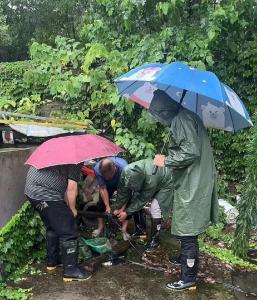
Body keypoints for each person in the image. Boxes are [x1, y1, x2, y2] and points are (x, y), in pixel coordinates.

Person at [150, 90, 218, 291]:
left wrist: (166, 160)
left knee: (188, 230)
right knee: (185, 224)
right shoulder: (185, 117)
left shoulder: (182, 119)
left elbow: (190, 151)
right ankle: (184, 258)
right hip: (194, 180)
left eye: (157, 114)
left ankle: (188, 278)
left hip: (193, 183)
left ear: (163, 111)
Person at [24, 164, 92, 282]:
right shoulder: (74, 161)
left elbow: (66, 191)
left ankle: (53, 261)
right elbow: (71, 188)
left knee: (53, 226)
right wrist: (72, 209)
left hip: (32, 193)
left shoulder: (57, 154)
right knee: (69, 231)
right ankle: (71, 271)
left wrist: (67, 207)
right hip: (47, 195)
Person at [113, 158, 174, 252]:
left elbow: (142, 199)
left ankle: (155, 240)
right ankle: (140, 230)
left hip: (166, 182)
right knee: (134, 198)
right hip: (151, 179)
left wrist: (127, 212)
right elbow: (122, 190)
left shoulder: (150, 179)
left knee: (155, 208)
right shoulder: (126, 172)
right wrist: (118, 207)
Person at [93, 157, 146, 240]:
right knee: (101, 204)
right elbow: (102, 188)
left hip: (122, 186)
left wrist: (122, 208)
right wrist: (107, 206)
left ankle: (124, 230)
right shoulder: (97, 169)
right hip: (107, 186)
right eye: (104, 177)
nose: (106, 178)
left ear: (114, 169)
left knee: (126, 207)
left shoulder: (124, 168)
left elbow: (127, 192)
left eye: (108, 176)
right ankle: (100, 227)